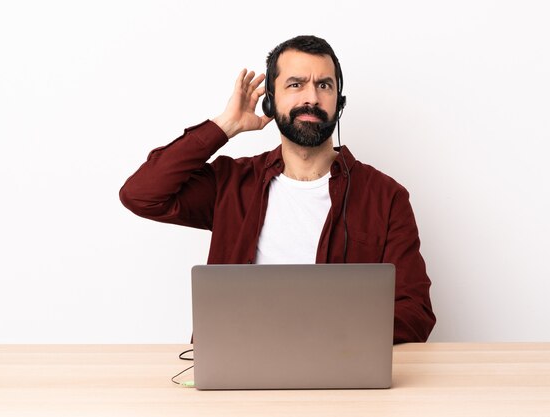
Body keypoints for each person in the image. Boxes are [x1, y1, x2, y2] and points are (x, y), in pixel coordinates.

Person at [119, 35, 436, 343]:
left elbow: (416, 312)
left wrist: (332, 330)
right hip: (237, 365)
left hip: (337, 372)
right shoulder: (232, 183)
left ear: (339, 103)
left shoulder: (385, 197)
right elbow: (142, 194)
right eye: (296, 84)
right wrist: (224, 126)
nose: (311, 97)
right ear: (270, 100)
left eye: (324, 85)